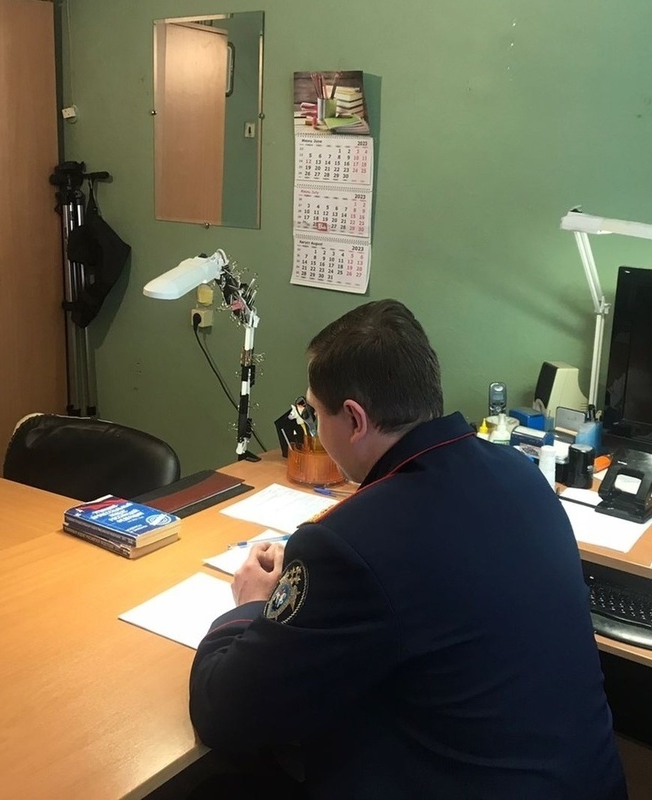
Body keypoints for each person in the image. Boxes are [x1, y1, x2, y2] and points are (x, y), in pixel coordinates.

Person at [189, 299, 627, 799]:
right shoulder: (520, 474)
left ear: (354, 419)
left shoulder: (347, 545)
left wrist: (249, 604)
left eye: (315, 413)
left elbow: (223, 714)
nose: (313, 427)